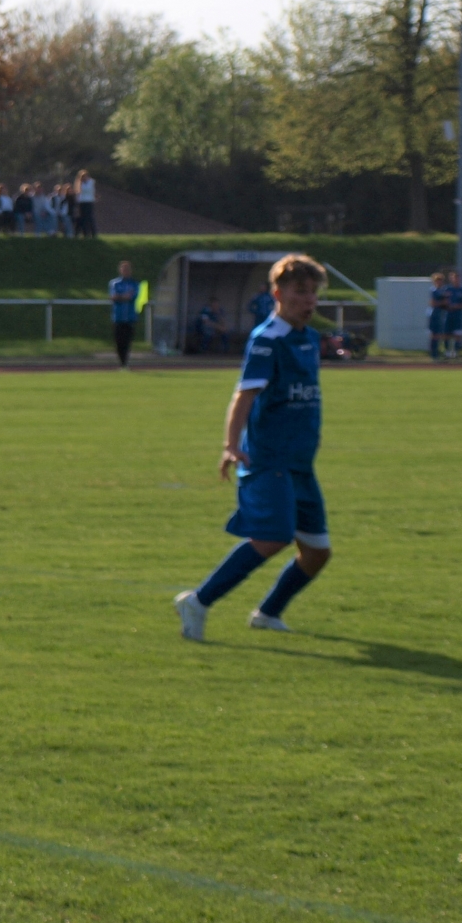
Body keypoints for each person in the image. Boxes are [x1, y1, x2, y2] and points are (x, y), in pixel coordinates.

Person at [175, 254, 333, 642]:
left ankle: (267, 613)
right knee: (273, 537)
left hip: (300, 464)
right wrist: (231, 445)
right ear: (278, 293)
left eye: (313, 292)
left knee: (317, 553)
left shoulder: (309, 338)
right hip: (269, 459)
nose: (309, 300)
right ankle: (198, 601)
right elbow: (244, 395)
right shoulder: (267, 339)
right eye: (300, 291)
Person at [108, 261, 141, 368]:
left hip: (130, 317)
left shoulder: (134, 284)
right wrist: (124, 297)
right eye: (123, 269)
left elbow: (133, 297)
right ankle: (122, 362)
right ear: (120, 270)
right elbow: (113, 297)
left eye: (127, 269)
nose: (125, 271)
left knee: (127, 341)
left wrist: (120, 297)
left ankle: (125, 362)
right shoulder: (114, 283)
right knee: (119, 341)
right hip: (118, 317)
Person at [445, 269, 462, 356]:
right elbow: (442, 301)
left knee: (458, 333)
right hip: (448, 314)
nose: (456, 279)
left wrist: (458, 306)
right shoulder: (447, 289)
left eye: (457, 278)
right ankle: (447, 350)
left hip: (458, 315)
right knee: (447, 333)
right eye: (454, 278)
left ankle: (456, 351)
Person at [74, 171, 98, 237]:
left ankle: (94, 233)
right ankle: (85, 233)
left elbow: (89, 190)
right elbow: (78, 193)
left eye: (85, 176)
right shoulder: (79, 183)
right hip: (82, 202)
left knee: (90, 217)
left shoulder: (91, 182)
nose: (84, 178)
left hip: (89, 201)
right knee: (83, 218)